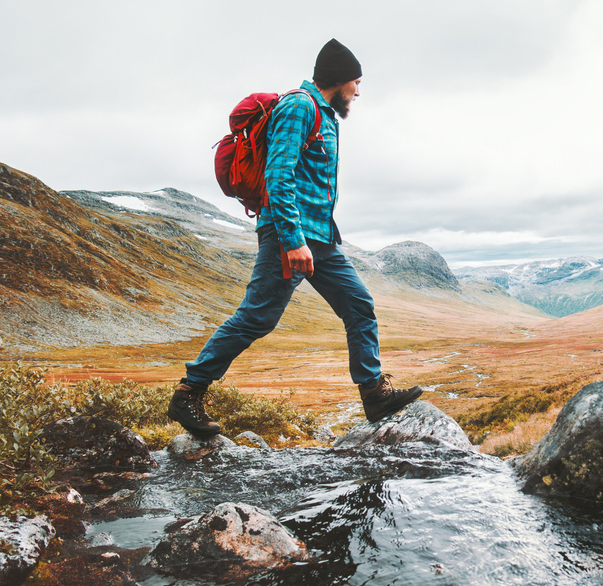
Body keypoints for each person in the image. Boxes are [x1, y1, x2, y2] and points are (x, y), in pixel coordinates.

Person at [168, 39, 421, 438]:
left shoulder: (326, 116)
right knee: (257, 317)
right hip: (291, 234)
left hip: (321, 237)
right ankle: (189, 392)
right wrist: (292, 239)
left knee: (359, 305)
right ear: (339, 81)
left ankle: (373, 394)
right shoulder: (299, 106)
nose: (359, 90)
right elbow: (278, 174)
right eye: (357, 82)